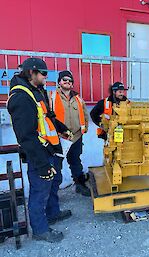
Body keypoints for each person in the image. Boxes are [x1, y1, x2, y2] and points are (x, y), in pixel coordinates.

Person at [7, 58, 72, 243]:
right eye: (43, 73)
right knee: (39, 191)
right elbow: (26, 136)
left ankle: (53, 213)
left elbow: (47, 116)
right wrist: (42, 165)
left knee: (52, 184)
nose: (46, 77)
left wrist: (61, 128)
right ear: (31, 73)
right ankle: (40, 229)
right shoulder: (21, 97)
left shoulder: (36, 91)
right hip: (39, 154)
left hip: (50, 150)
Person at [49, 70, 90, 196]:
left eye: (70, 80)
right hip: (59, 138)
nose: (67, 82)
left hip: (76, 136)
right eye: (64, 80)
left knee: (75, 161)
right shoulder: (51, 96)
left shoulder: (78, 98)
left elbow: (85, 114)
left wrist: (85, 128)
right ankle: (53, 193)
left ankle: (79, 185)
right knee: (57, 165)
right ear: (59, 82)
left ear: (72, 84)